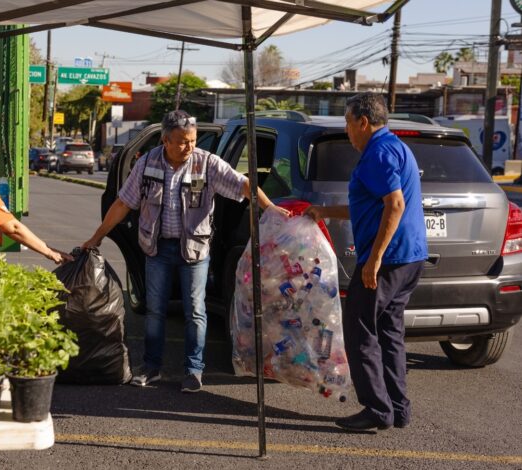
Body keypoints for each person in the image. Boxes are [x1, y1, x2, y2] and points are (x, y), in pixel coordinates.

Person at [82, 110, 289, 393]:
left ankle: (193, 370)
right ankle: (151, 367)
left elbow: (244, 185)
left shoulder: (207, 163)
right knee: (155, 311)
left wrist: (271, 209)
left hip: (195, 251)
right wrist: (96, 237)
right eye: (182, 141)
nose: (189, 146)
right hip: (156, 249)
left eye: (192, 140)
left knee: (195, 311)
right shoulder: (146, 164)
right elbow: (122, 203)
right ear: (165, 140)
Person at [305, 93, 427, 432]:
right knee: (389, 333)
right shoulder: (396, 146)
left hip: (387, 260)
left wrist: (373, 259)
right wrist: (325, 212)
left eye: (347, 122)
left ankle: (377, 409)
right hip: (409, 258)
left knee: (360, 331)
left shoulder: (378, 152)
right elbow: (370, 205)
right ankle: (398, 408)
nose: (347, 130)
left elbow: (395, 204)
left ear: (363, 122)